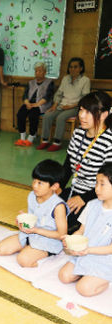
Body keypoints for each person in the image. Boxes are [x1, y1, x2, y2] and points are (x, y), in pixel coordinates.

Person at [0, 160, 68, 267]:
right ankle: (30, 248)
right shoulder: (32, 195)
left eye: (40, 183)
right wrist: (23, 219)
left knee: (23, 260)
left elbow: (62, 235)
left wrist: (36, 230)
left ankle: (45, 255)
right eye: (34, 180)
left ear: (54, 186)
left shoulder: (58, 206)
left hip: (48, 242)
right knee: (1, 249)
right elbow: (34, 217)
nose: (34, 185)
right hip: (30, 234)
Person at [58, 91, 112, 234]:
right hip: (74, 191)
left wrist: (84, 198)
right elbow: (68, 167)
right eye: (81, 110)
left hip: (96, 196)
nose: (82, 115)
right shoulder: (78, 134)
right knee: (47, 214)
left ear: (104, 114)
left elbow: (108, 184)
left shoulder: (109, 142)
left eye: (88, 112)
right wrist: (57, 187)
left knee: (65, 230)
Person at [58, 163, 112, 297]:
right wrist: (71, 240)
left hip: (105, 259)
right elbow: (81, 231)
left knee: (84, 289)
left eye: (102, 184)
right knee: (64, 276)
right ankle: (88, 274)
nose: (96, 188)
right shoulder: (92, 204)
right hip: (85, 253)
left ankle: (104, 279)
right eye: (96, 183)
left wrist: (88, 250)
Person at [37, 57, 91, 152]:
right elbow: (59, 93)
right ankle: (45, 140)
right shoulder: (65, 78)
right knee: (47, 115)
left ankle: (57, 142)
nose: (72, 69)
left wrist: (71, 106)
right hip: (62, 105)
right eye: (70, 67)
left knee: (61, 117)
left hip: (75, 107)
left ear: (81, 68)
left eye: (75, 67)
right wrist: (54, 106)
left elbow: (85, 98)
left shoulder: (85, 80)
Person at [14, 62, 55, 146]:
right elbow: (25, 95)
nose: (38, 73)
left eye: (40, 71)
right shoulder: (31, 82)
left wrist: (36, 104)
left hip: (41, 105)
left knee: (33, 115)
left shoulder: (50, 82)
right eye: (36, 71)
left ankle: (31, 137)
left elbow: (48, 96)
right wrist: (27, 103)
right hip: (30, 104)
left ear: (45, 72)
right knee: (20, 114)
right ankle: (22, 137)